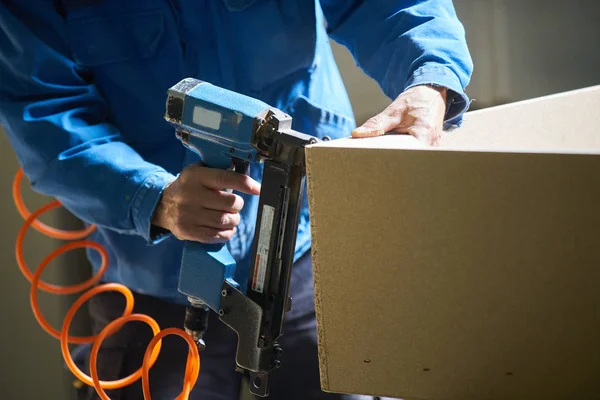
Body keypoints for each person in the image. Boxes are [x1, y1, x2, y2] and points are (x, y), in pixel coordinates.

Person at [0, 0, 473, 399]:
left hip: (311, 246)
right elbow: (42, 107)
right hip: (149, 275)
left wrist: (430, 79)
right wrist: (154, 198)